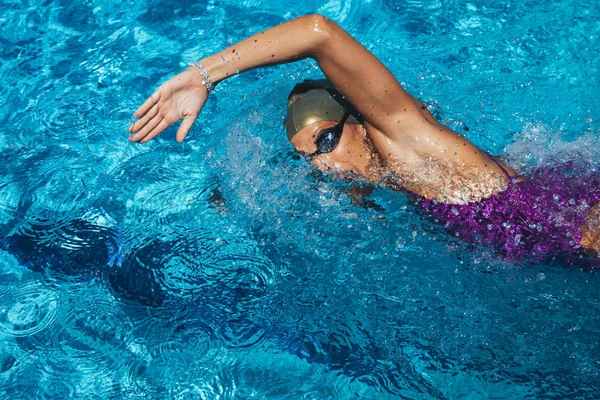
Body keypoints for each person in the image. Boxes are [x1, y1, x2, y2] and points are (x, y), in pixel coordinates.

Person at [128, 14, 600, 264]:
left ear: (359, 120)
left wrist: (204, 75)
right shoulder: (394, 175)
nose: (321, 165)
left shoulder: (410, 141)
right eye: (307, 157)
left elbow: (321, 34)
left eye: (326, 141)